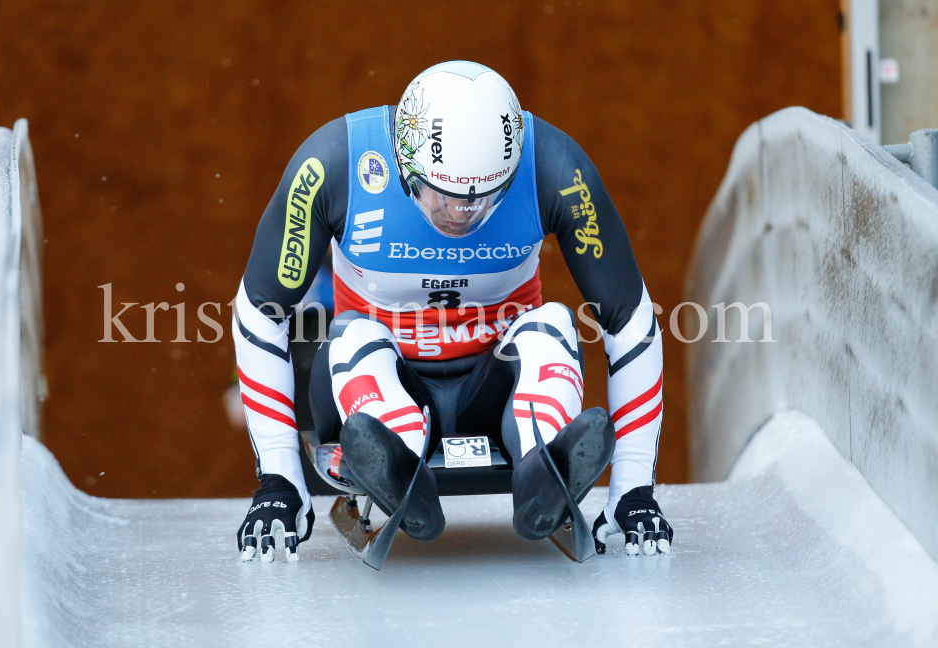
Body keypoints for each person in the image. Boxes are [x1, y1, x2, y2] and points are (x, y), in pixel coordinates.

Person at [234, 60, 671, 562]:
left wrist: (634, 492)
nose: (459, 213)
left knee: (552, 323)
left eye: (481, 198)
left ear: (509, 170)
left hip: (496, 387)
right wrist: (279, 480)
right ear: (402, 162)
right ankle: (396, 462)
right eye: (439, 193)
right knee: (353, 338)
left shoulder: (556, 168)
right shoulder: (333, 163)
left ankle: (540, 471)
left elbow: (629, 318)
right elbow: (260, 312)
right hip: (381, 376)